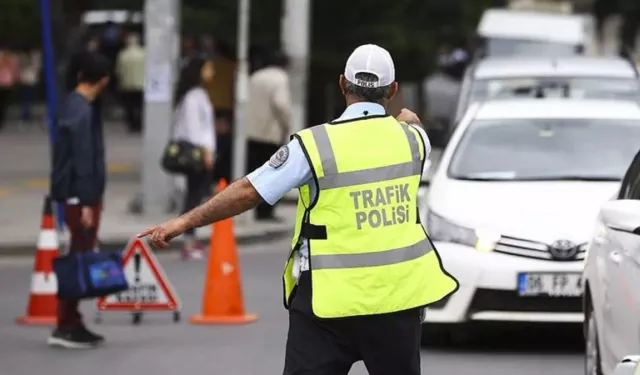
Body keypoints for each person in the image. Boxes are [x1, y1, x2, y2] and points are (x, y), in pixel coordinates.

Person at [139, 44, 459, 375]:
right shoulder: (414, 141)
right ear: (393, 90)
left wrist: (184, 221)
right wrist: (406, 118)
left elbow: (250, 191)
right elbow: (412, 122)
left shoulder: (314, 146)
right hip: (397, 300)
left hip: (327, 302)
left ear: (341, 84)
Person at [48, 52, 111, 349]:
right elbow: (82, 160)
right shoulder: (82, 111)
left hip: (77, 195)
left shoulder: (73, 105)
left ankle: (71, 320)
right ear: (103, 80)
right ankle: (67, 324)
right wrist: (86, 202)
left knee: (79, 255)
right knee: (79, 257)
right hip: (80, 197)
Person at [171, 57, 216, 260]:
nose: (212, 71)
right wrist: (206, 152)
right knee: (193, 197)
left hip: (201, 152)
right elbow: (194, 128)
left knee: (195, 196)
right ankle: (188, 241)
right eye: (208, 67)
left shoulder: (197, 94)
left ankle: (190, 238)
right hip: (197, 154)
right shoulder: (193, 96)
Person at [246, 49, 291, 221]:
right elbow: (281, 103)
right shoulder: (280, 78)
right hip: (270, 133)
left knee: (255, 173)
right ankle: (266, 212)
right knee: (274, 173)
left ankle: (255, 208)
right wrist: (286, 124)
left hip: (252, 132)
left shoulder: (255, 77)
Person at [115, 32, 145, 133]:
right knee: (140, 106)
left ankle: (132, 124)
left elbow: (118, 70)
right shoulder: (143, 54)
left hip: (127, 84)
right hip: (141, 84)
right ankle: (139, 123)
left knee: (129, 106)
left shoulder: (123, 55)